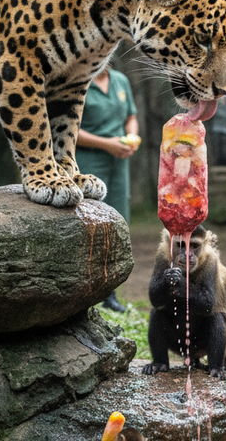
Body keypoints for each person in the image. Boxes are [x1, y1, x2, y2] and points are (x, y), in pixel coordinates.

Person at [76, 67, 140, 313]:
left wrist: (131, 136)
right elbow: (68, 129)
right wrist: (106, 144)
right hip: (89, 161)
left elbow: (131, 116)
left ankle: (109, 294)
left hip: (118, 161)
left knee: (117, 223)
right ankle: (83, 293)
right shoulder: (78, 79)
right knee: (89, 226)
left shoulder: (120, 80)